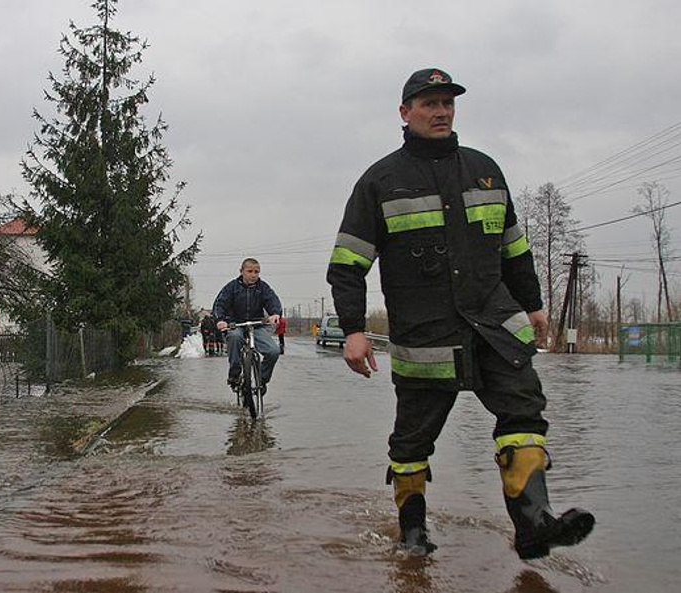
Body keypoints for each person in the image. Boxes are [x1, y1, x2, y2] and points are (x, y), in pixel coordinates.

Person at [326, 68, 594, 558]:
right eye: (429, 103)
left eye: (447, 102)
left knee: (524, 414)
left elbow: (515, 249)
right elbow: (347, 265)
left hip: (496, 328)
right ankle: (412, 535)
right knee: (411, 443)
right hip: (425, 338)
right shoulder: (380, 181)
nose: (441, 111)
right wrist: (353, 330)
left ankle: (534, 523)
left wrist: (532, 304)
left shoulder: (485, 170)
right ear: (405, 113)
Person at [212, 258, 283, 392]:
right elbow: (219, 304)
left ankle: (261, 380)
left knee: (273, 351)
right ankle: (235, 372)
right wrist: (220, 320)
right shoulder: (231, 287)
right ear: (242, 271)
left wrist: (275, 314)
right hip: (236, 324)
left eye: (256, 272)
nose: (253, 275)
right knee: (234, 337)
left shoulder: (263, 288)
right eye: (250, 271)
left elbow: (273, 301)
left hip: (257, 325)